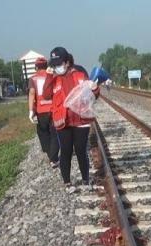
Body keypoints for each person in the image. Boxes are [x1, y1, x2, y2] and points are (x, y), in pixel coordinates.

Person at [42, 46, 101, 191]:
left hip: (80, 120)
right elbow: (46, 95)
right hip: (63, 121)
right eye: (54, 64)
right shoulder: (53, 79)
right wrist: (49, 76)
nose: (57, 67)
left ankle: (86, 180)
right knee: (66, 151)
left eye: (59, 63)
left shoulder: (79, 75)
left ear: (67, 62)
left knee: (81, 150)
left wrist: (94, 88)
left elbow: (93, 94)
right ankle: (67, 183)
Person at [28, 56, 59, 168]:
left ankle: (51, 155)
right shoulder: (52, 76)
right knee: (54, 134)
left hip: (41, 111)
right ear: (46, 66)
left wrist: (31, 111)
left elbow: (32, 93)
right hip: (53, 109)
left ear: (36, 67)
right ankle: (53, 158)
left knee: (43, 133)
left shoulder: (33, 79)